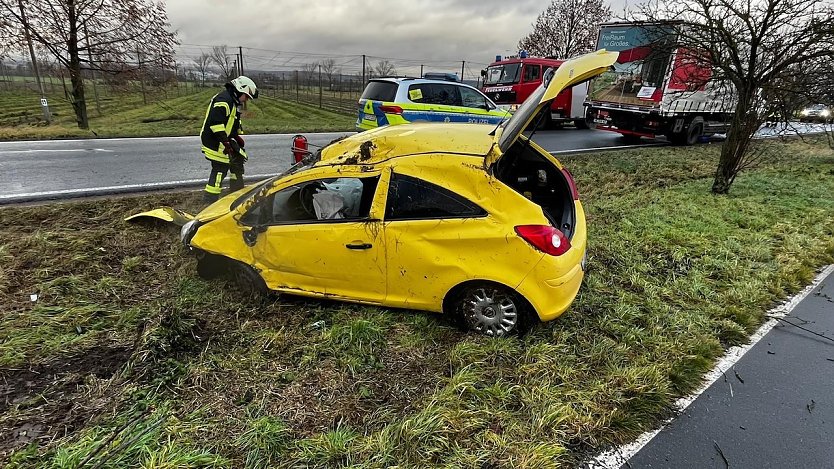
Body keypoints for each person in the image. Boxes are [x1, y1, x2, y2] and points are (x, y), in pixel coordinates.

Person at [200, 75, 258, 202]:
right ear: (240, 90)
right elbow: (216, 124)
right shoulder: (224, 100)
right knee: (220, 168)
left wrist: (236, 137)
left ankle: (237, 194)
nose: (246, 100)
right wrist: (226, 143)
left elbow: (231, 122)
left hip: (223, 139)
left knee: (237, 160)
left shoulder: (232, 100)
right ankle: (210, 200)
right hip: (215, 141)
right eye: (246, 96)